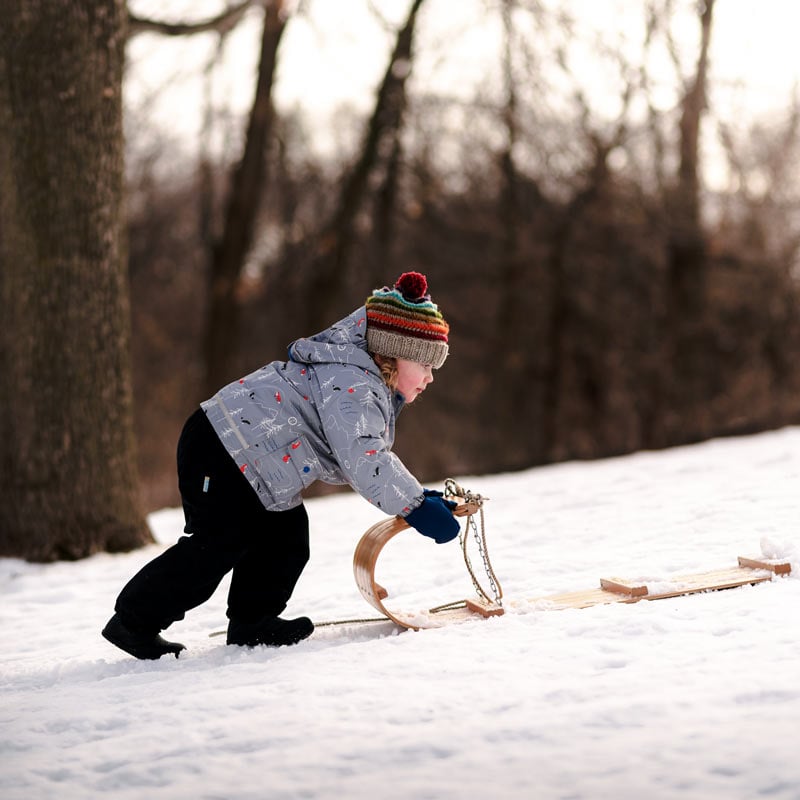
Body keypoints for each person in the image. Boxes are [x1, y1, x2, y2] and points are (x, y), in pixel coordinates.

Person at [102, 271, 460, 660]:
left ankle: (253, 623)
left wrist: (418, 497)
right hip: (222, 448)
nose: (429, 377)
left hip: (255, 461)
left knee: (285, 539)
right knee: (217, 544)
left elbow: (366, 452)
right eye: (424, 364)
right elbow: (363, 456)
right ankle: (133, 622)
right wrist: (415, 506)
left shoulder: (360, 377)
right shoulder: (354, 383)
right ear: (393, 351)